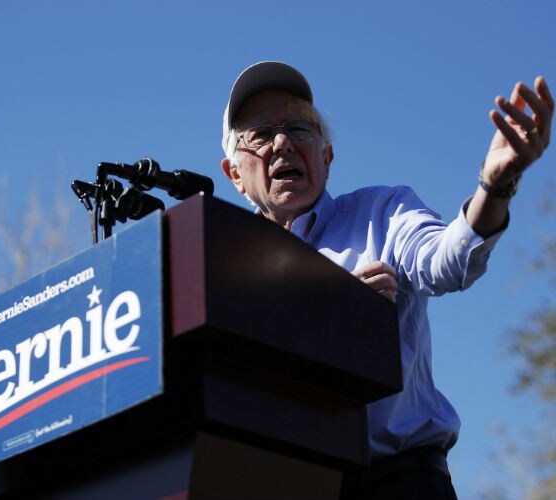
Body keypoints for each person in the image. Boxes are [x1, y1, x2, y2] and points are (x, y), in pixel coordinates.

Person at [220, 61, 553, 499]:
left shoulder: (384, 214)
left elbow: (449, 261)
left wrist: (495, 186)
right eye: (260, 135)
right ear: (234, 175)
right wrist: (327, 313)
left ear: (326, 156)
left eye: (300, 129)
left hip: (399, 483)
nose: (282, 142)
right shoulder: (225, 270)